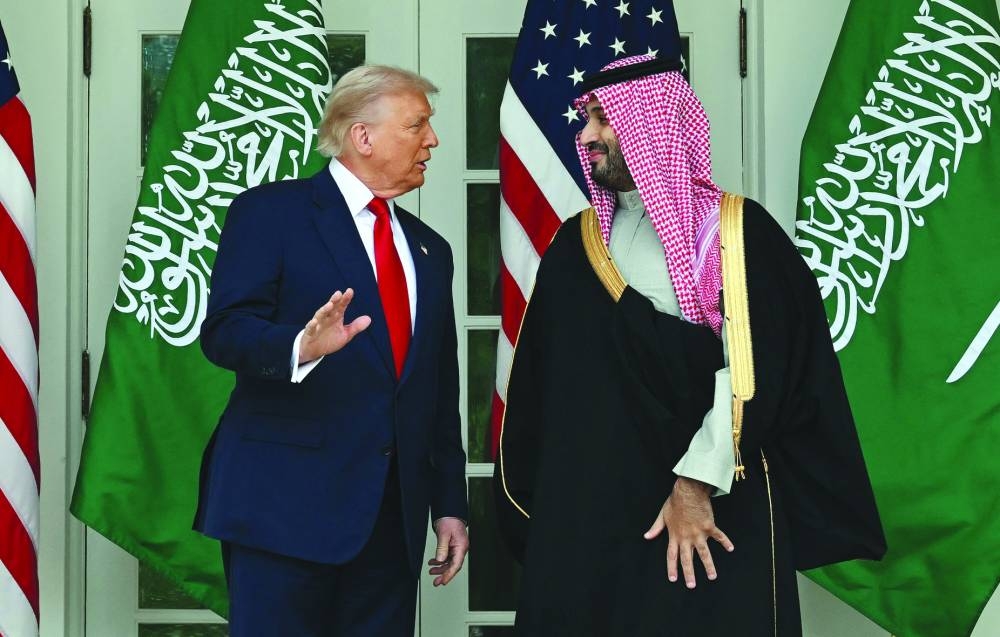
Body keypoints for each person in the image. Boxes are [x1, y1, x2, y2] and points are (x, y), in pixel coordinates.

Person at [493, 52, 887, 636]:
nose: (588, 136)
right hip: (592, 513)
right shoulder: (576, 247)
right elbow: (545, 390)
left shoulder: (732, 235)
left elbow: (754, 372)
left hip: (707, 510)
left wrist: (694, 485)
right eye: (588, 119)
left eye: (604, 120)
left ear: (653, 126)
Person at [195, 65, 469, 637]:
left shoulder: (430, 249)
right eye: (417, 125)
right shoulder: (271, 213)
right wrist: (299, 344)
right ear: (362, 137)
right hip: (282, 512)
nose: (433, 141)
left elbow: (438, 388)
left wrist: (449, 503)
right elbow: (224, 330)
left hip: (391, 524)